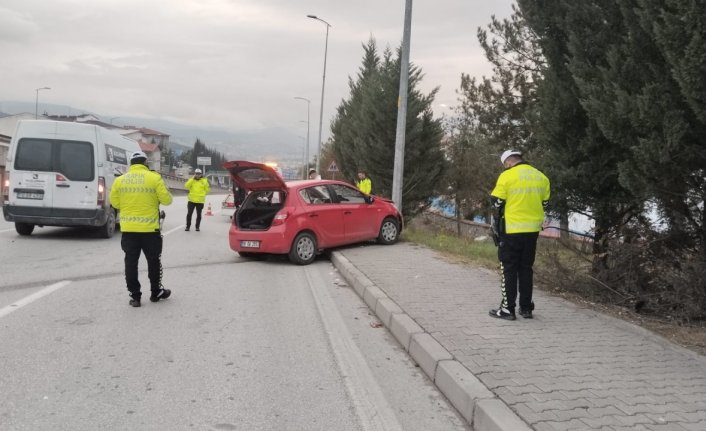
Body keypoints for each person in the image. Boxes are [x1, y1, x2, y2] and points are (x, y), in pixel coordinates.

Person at [489, 150, 550, 320]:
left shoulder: (507, 175)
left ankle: (508, 309)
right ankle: (526, 308)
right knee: (526, 269)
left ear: (508, 162)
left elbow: (496, 201)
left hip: (511, 230)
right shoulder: (541, 177)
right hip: (532, 231)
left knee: (508, 269)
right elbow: (544, 203)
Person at [110, 151, 173, 307]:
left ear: (131, 164)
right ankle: (155, 292)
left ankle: (135, 297)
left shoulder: (119, 180)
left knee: (130, 263)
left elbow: (115, 204)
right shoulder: (154, 178)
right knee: (153, 262)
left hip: (129, 230)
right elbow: (167, 200)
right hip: (150, 230)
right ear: (145, 163)